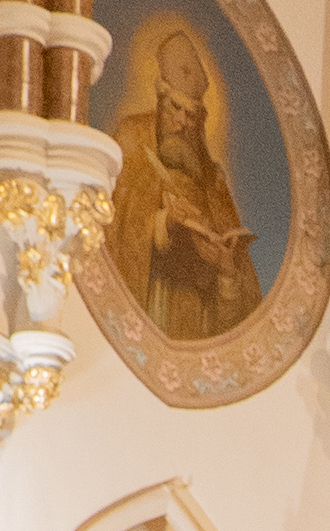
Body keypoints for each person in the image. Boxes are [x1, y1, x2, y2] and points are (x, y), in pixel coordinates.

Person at [106, 25, 262, 340]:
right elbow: (108, 224)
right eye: (175, 107)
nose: (182, 122)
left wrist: (227, 268)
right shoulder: (131, 138)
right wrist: (164, 222)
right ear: (159, 95)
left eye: (192, 116)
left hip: (195, 318)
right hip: (150, 305)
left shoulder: (211, 179)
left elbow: (240, 307)